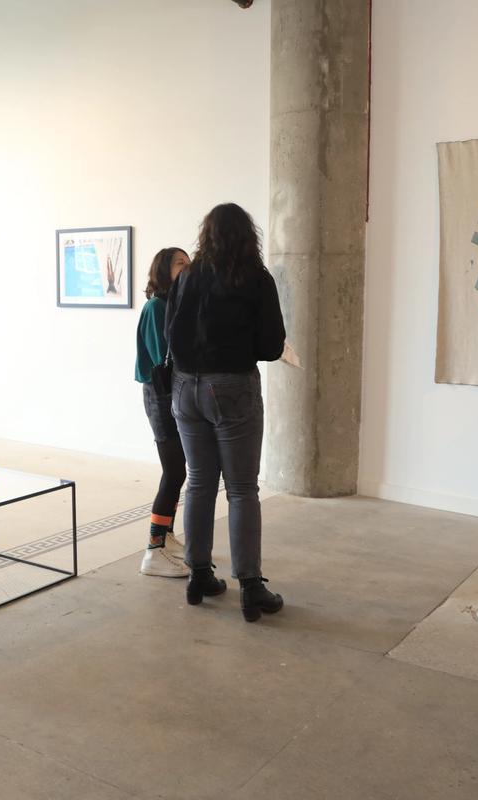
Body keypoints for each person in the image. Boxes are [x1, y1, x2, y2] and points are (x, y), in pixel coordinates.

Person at [165, 203, 286, 621]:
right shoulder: (255, 278)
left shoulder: (187, 277)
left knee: (199, 482)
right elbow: (272, 345)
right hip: (232, 386)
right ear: (247, 235)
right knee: (241, 488)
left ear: (206, 234)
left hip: (185, 387)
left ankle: (199, 575)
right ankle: (250, 586)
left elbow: (170, 332)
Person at [135, 247, 192, 577]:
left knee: (178, 471)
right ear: (163, 270)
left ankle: (166, 536)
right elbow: (163, 358)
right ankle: (154, 550)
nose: (187, 267)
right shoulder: (157, 306)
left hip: (172, 393)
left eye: (188, 262)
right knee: (173, 471)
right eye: (180, 263)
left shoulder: (174, 304)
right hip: (161, 395)